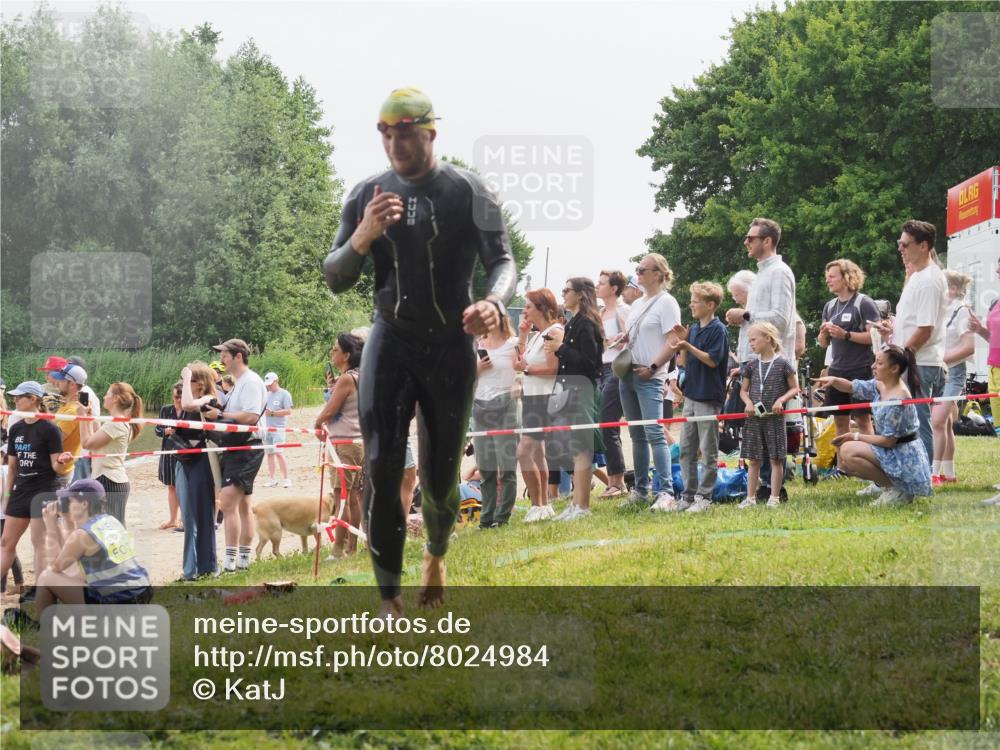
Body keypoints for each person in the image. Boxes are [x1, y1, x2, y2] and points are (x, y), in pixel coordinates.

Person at [322, 88, 516, 614]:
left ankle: (436, 551)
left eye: (404, 131)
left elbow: (503, 261)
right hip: (390, 340)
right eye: (385, 133)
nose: (394, 143)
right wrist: (363, 235)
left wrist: (494, 303)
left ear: (430, 133)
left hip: (450, 343)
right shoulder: (367, 193)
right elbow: (335, 276)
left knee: (439, 477)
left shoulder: (468, 190)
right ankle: (388, 599)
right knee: (382, 468)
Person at [815, 346, 932, 506]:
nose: (873, 366)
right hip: (893, 450)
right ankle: (884, 484)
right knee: (847, 453)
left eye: (879, 363)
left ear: (894, 368)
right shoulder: (881, 385)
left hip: (902, 455)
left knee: (849, 451)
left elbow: (889, 441)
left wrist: (854, 436)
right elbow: (852, 387)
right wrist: (834, 380)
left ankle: (898, 490)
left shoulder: (897, 399)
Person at [872, 220, 947, 465]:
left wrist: (901, 357)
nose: (900, 248)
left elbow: (925, 329)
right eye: (899, 243)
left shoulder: (929, 279)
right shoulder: (917, 276)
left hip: (919, 363)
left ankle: (922, 475)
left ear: (923, 246)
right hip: (913, 359)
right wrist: (893, 328)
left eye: (905, 244)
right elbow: (914, 322)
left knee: (917, 421)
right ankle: (902, 473)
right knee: (902, 421)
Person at [617, 253, 681, 511]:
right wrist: (624, 338)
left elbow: (673, 341)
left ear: (658, 273)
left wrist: (654, 367)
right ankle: (641, 491)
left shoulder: (667, 303)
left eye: (643, 269)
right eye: (637, 269)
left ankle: (665, 492)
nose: (638, 273)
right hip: (628, 373)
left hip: (650, 376)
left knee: (655, 433)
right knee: (636, 434)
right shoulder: (637, 304)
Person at [34, 479, 151, 619]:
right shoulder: (110, 521)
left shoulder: (83, 535)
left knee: (46, 577)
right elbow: (72, 562)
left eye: (70, 501)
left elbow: (55, 567)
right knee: (78, 575)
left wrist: (51, 526)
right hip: (141, 593)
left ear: (84, 504)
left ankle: (46, 626)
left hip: (119, 602)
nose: (67, 504)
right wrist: (66, 519)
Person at [1, 382, 73, 597]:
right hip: (21, 490)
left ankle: (42, 592)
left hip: (43, 490)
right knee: (6, 542)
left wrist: (62, 461)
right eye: (13, 397)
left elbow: (56, 467)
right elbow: (12, 466)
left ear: (33, 399)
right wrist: (7, 495)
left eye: (19, 397)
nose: (15, 400)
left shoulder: (49, 428)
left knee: (38, 542)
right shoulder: (16, 428)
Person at [546, 277, 604, 521]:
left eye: (566, 290)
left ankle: (583, 506)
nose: (563, 294)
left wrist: (561, 349)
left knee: (582, 449)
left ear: (580, 294)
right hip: (568, 389)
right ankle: (576, 502)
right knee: (575, 448)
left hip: (582, 390)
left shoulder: (587, 324)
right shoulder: (572, 323)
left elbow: (592, 365)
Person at [207, 338, 267, 572]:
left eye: (224, 355)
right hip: (239, 446)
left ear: (237, 356)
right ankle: (243, 558)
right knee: (243, 505)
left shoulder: (250, 381)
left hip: (247, 447)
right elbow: (238, 413)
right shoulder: (239, 382)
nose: (221, 359)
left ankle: (231, 561)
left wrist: (220, 416)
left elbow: (251, 416)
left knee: (228, 501)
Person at [671, 282, 729, 513]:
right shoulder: (694, 328)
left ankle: (705, 498)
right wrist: (684, 343)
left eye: (696, 302)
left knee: (708, 449)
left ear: (710, 305)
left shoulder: (718, 330)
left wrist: (689, 345)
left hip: (708, 397)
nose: (691, 305)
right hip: (691, 396)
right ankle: (688, 495)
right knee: (686, 448)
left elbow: (713, 360)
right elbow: (683, 363)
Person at [737, 323, 799, 508]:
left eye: (754, 339)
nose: (751, 344)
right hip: (754, 419)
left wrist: (781, 400)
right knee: (754, 458)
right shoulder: (751, 365)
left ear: (768, 338)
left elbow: (795, 387)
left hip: (774, 419)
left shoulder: (783, 364)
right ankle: (750, 498)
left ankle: (774, 497)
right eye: (749, 340)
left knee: (776, 458)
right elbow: (743, 391)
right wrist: (748, 402)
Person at [513, 289, 562, 522]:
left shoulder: (554, 332)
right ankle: (543, 504)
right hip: (532, 398)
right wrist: (522, 336)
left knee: (523, 451)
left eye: (529, 306)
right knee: (537, 452)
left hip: (544, 399)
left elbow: (553, 369)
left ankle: (536, 503)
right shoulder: (536, 335)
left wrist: (527, 370)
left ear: (542, 308)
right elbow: (520, 362)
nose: (525, 311)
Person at [818, 259, 880, 443]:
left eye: (832, 276)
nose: (828, 280)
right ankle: (843, 464)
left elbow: (874, 337)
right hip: (837, 369)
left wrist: (846, 335)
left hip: (860, 368)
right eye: (827, 277)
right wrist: (823, 333)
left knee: (862, 418)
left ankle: (871, 460)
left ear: (847, 277)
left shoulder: (864, 303)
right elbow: (822, 344)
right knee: (839, 419)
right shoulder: (830, 306)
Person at [315, 334, 365, 557]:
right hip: (358, 441)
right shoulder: (360, 375)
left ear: (347, 355)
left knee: (342, 497)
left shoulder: (346, 379)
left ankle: (337, 550)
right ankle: (351, 547)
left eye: (335, 350)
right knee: (352, 496)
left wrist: (317, 422)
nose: (332, 353)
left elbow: (330, 411)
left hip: (344, 442)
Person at [471, 312, 519, 528]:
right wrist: (477, 369)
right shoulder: (476, 345)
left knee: (506, 467)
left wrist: (518, 385)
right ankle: (486, 517)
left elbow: (522, 370)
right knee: (485, 467)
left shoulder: (513, 344)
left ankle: (502, 517)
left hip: (505, 407)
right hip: (480, 407)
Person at [176, 362, 221, 579]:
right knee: (189, 516)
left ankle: (208, 567)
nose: (185, 384)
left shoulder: (208, 399)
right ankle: (192, 569)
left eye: (190, 380)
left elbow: (187, 404)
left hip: (203, 462)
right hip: (187, 461)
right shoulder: (194, 400)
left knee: (204, 515)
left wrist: (186, 378)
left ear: (201, 383)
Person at [931, 270, 976, 484]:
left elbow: (969, 348)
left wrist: (943, 359)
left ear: (954, 289)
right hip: (940, 371)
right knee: (945, 424)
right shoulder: (943, 309)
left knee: (937, 422)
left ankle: (934, 473)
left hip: (954, 372)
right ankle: (949, 474)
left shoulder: (962, 311)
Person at [77, 383, 142, 526]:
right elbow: (97, 439)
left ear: (116, 398)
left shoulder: (116, 424)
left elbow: (87, 443)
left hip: (109, 481)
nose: (104, 397)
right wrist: (90, 417)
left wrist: (82, 417)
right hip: (109, 479)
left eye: (107, 394)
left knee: (111, 530)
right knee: (108, 528)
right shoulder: (118, 422)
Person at [967, 255, 1000, 505]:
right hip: (994, 369)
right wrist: (980, 331)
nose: (997, 270)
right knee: (998, 429)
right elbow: (993, 339)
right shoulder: (996, 302)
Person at [595, 269, 629, 497]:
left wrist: (615, 342)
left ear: (614, 288)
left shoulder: (624, 310)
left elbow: (631, 338)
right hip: (600, 369)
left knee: (608, 422)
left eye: (602, 283)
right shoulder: (599, 312)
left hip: (617, 368)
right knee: (604, 424)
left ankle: (618, 482)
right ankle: (614, 481)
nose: (598, 286)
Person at [50, 364, 89, 484]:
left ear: (72, 384)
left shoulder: (72, 411)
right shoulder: (66, 405)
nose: (57, 383)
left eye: (61, 380)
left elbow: (54, 440)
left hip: (58, 472)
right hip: (57, 468)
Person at [154, 383, 183, 530]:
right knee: (171, 486)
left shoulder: (189, 411)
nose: (178, 400)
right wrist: (166, 431)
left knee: (184, 486)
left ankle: (184, 519)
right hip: (168, 451)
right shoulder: (166, 410)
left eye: (180, 396)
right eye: (176, 397)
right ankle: (173, 519)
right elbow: (157, 430)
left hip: (184, 452)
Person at [261, 372, 294, 489]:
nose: (269, 386)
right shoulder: (266, 394)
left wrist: (273, 413)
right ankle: (272, 479)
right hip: (267, 428)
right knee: (269, 454)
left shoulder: (284, 394)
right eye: (267, 385)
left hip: (279, 428)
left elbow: (288, 411)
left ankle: (286, 479)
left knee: (279, 453)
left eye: (271, 384)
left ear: (276, 381)